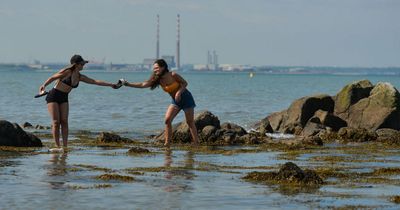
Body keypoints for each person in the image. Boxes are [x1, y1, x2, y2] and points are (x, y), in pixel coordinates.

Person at [38, 54, 119, 152]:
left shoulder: (80, 76)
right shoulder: (67, 72)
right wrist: (44, 86)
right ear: (76, 64)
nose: (83, 65)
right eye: (82, 64)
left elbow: (94, 81)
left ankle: (65, 146)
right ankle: (57, 146)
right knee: (56, 122)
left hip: (64, 97)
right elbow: (53, 77)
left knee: (64, 121)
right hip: (53, 96)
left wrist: (111, 85)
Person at [122, 59, 199, 146]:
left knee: (190, 122)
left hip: (186, 99)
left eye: (157, 68)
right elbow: (143, 84)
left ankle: (196, 143)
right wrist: (128, 84)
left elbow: (185, 83)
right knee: (167, 120)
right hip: (175, 101)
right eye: (154, 68)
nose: (155, 70)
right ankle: (167, 143)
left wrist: (178, 92)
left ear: (163, 67)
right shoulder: (157, 79)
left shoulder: (173, 75)